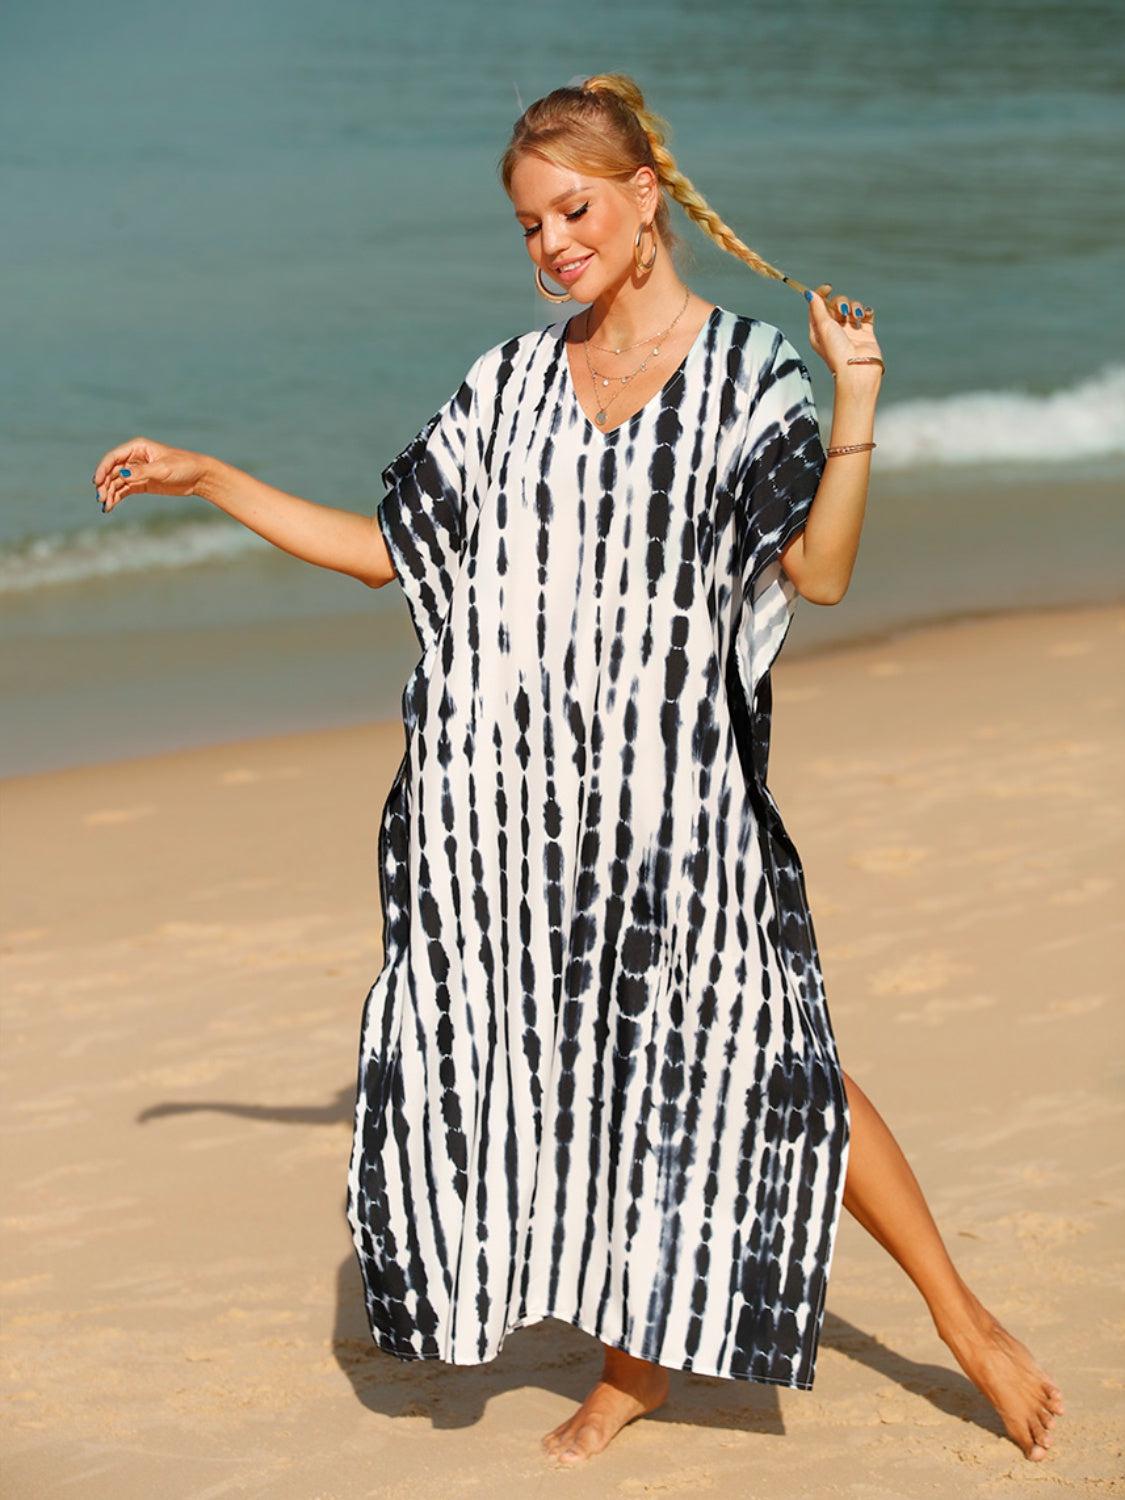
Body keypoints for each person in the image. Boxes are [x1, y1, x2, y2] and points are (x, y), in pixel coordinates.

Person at [91, 71, 1065, 1470]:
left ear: (641, 200)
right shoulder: (508, 385)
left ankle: (963, 1320)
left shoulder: (745, 377)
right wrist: (216, 478)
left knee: (777, 1069)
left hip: (681, 816)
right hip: (517, 822)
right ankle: (632, 1371)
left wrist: (852, 401)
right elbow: (392, 552)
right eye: (529, 225)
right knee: (601, 1079)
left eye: (571, 210)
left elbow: (825, 572)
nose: (551, 245)